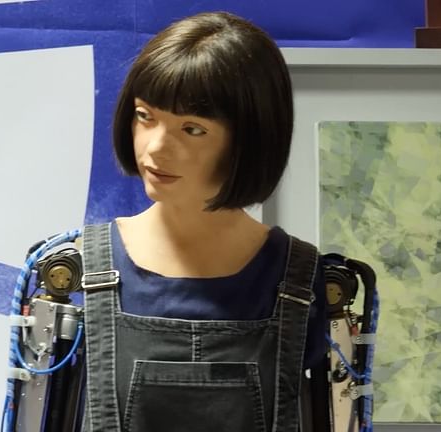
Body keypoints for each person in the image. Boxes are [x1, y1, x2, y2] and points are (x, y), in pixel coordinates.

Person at [78, 11, 328, 432]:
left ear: (250, 139)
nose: (155, 148)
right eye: (145, 115)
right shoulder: (72, 271)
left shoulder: (306, 283)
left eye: (192, 129)